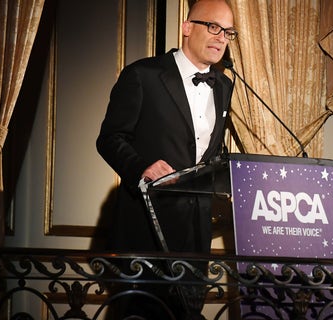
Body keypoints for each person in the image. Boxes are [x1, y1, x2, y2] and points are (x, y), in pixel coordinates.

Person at [95, 0, 236, 318]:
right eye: (213, 26)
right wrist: (140, 167)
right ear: (187, 27)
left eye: (228, 31)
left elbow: (206, 151)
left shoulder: (224, 86)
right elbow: (109, 138)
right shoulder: (142, 75)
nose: (221, 37)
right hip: (146, 230)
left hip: (196, 237)